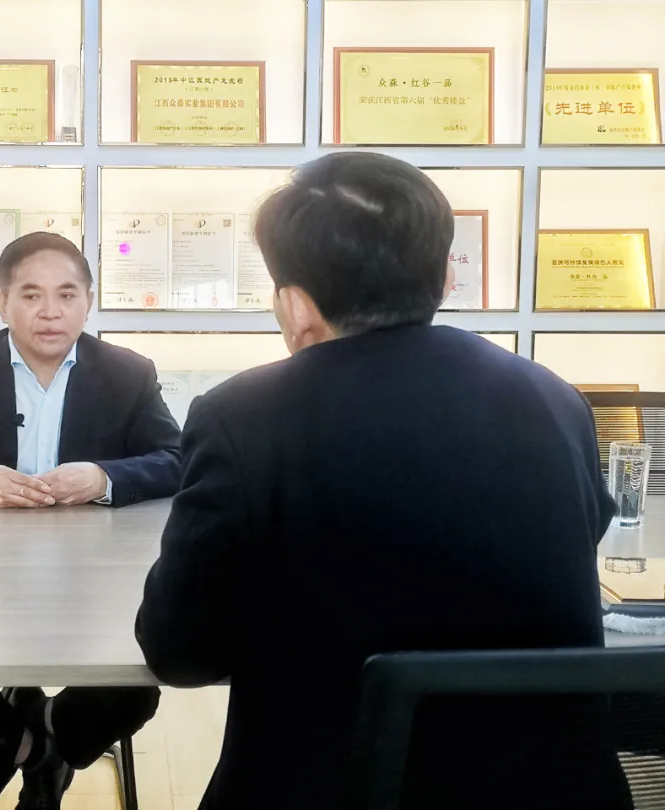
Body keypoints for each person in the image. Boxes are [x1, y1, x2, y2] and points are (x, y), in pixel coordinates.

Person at [135, 152, 634, 810]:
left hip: (328, 787)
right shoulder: (554, 398)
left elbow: (179, 651)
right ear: (445, 275)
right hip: (554, 791)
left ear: (294, 305)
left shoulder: (242, 415)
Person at [0, 231, 178, 808]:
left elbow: (177, 457)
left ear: (88, 301)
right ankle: (29, 753)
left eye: (67, 295)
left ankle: (40, 739)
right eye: (31, 295)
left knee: (132, 687)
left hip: (95, 581)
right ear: (2, 303)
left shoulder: (128, 373)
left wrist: (103, 476)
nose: (50, 312)